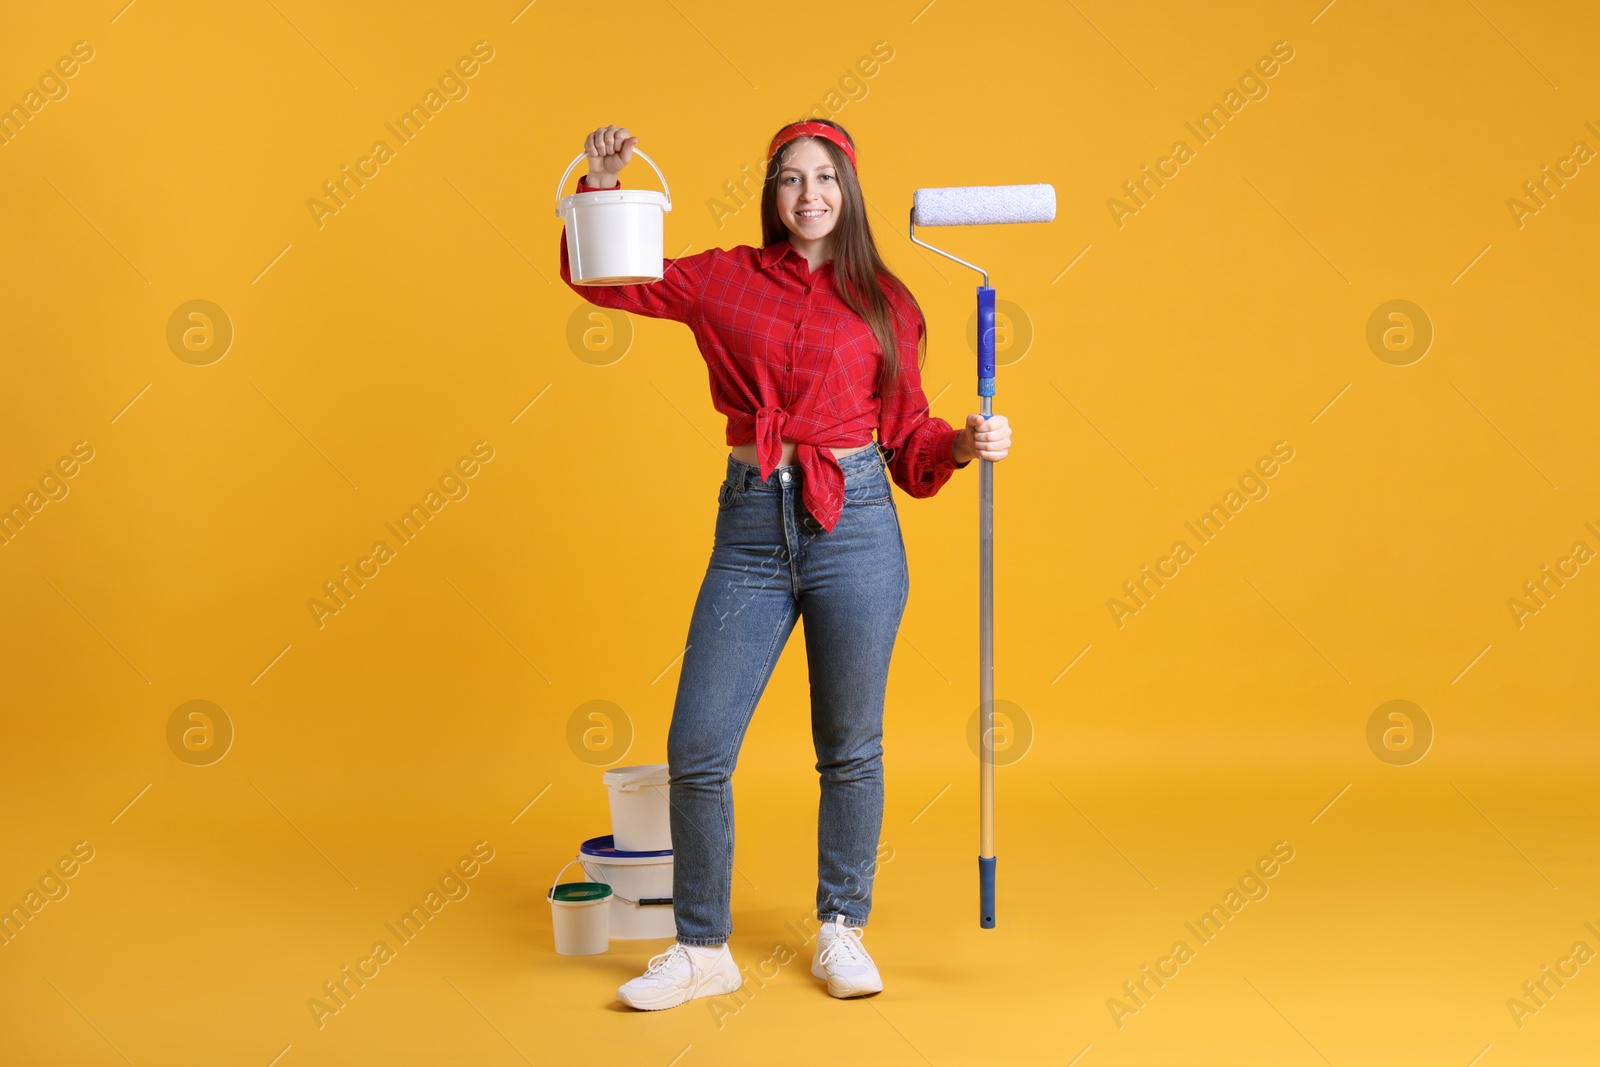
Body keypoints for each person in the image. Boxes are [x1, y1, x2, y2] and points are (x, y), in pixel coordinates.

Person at [558, 119, 1013, 1010]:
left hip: (858, 529)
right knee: (696, 746)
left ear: (850, 190)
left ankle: (842, 925)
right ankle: (703, 949)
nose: (809, 195)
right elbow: (607, 278)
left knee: (849, 747)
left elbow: (909, 438)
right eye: (791, 180)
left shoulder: (890, 303)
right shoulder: (725, 277)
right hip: (752, 530)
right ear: (771, 194)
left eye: (825, 179)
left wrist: (962, 441)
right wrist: (603, 186)